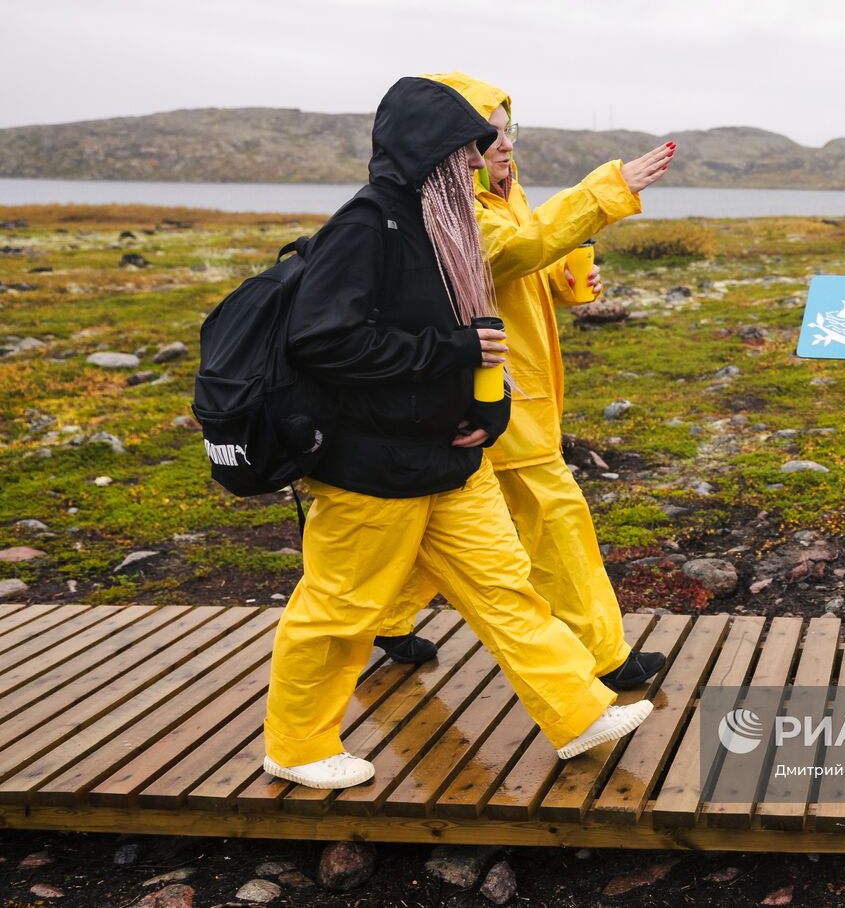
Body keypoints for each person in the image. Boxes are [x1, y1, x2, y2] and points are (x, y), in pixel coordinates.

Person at [261, 75, 653, 790]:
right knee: (338, 610)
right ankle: (296, 744)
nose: (483, 160)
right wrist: (453, 355)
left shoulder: (439, 223)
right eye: (469, 148)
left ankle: (577, 711)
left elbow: (477, 330)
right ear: (428, 151)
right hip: (370, 465)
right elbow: (325, 341)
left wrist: (487, 409)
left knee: (506, 587)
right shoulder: (366, 225)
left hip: (449, 451)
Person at [372, 72, 674, 692]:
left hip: (504, 387)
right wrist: (604, 192)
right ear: (451, 146)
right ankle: (604, 656)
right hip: (494, 391)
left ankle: (384, 617)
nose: (505, 147)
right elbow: (509, 252)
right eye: (488, 138)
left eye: (509, 133)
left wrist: (564, 285)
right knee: (554, 518)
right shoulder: (448, 208)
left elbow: (520, 263)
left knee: (442, 515)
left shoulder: (504, 193)